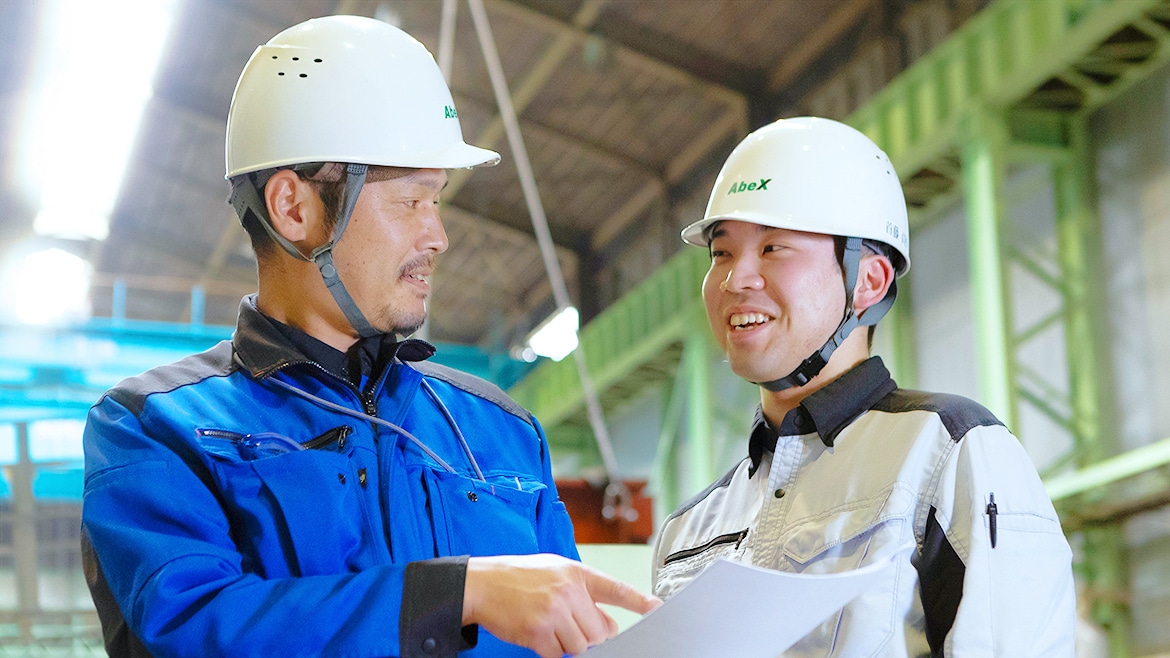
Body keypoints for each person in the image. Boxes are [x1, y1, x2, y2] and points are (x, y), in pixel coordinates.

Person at [80, 15, 657, 658]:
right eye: (410, 201)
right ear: (294, 209)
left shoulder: (501, 432)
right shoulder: (157, 426)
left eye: (437, 200)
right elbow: (191, 628)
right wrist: (450, 595)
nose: (437, 236)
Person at [651, 116, 1076, 655]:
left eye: (774, 248)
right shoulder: (688, 529)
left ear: (867, 281)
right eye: (721, 253)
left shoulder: (949, 453)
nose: (737, 280)